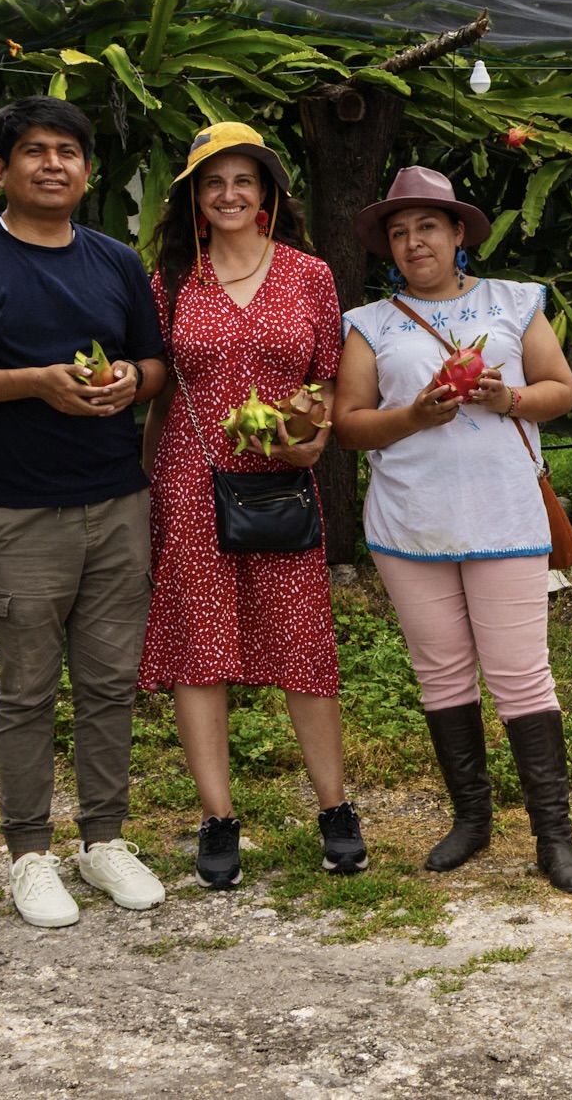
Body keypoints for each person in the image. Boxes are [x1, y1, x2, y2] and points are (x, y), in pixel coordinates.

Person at [0, 96, 169, 929]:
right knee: (26, 687)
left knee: (109, 680)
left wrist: (131, 378)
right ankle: (28, 852)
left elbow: (155, 362)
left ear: (88, 172)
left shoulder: (117, 261)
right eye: (33, 151)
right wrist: (31, 381)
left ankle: (104, 838)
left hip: (116, 494)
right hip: (17, 505)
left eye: (68, 152)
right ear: (1, 168)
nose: (52, 164)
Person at [331, 165, 572, 893]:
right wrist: (412, 414)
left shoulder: (512, 301)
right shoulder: (369, 323)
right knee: (441, 673)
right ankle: (472, 819)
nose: (415, 242)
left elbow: (560, 390)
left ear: (457, 235)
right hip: (410, 524)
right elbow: (349, 425)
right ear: (390, 246)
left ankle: (552, 834)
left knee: (519, 676)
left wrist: (506, 396)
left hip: (504, 517)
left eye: (428, 227)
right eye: (400, 231)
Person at [138, 122, 366, 890]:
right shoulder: (171, 280)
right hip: (192, 478)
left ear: (266, 192)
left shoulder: (309, 274)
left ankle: (334, 806)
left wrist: (311, 436)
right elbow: (160, 394)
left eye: (244, 179)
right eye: (213, 182)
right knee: (201, 648)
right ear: (195, 200)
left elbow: (326, 381)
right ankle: (217, 816)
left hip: (279, 475)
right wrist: (149, 495)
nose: (229, 193)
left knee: (301, 642)